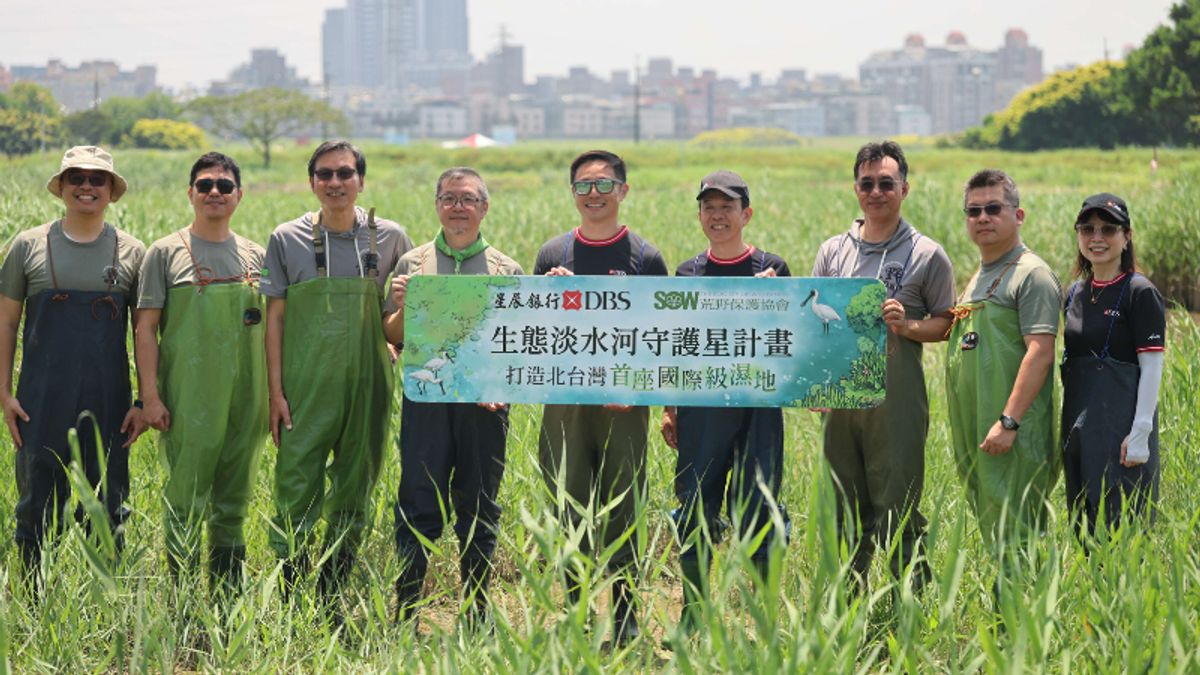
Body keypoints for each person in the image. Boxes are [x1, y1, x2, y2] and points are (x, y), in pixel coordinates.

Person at [261, 140, 413, 610]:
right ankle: (291, 589)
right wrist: (275, 392)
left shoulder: (390, 237)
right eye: (324, 175)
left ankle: (335, 583)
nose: (335, 183)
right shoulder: (286, 238)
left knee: (356, 482)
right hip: (305, 384)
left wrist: (392, 340)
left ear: (361, 181)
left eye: (345, 174)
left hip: (369, 384)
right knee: (295, 482)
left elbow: (398, 317)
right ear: (311, 183)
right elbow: (276, 320)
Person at [533, 149, 669, 645]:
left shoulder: (644, 257)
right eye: (584, 187)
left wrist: (645, 394)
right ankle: (576, 613)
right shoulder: (554, 255)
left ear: (623, 191)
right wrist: (547, 297)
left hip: (624, 403)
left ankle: (628, 617)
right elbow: (535, 335)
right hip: (565, 401)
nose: (594, 195)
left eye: (604, 185)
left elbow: (662, 335)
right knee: (568, 505)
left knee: (623, 507)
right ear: (572, 194)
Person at [810, 141, 955, 594]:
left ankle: (909, 608)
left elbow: (946, 323)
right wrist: (818, 387)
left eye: (886, 183)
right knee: (844, 506)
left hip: (897, 398)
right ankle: (847, 609)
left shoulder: (927, 254)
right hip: (843, 400)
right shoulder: (833, 251)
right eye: (867, 183)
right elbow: (815, 331)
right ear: (856, 189)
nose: (877, 192)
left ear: (904, 189)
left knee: (898, 502)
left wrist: (907, 325)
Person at [1, 146, 145, 589]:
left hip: (109, 398)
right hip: (40, 397)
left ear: (111, 191)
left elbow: (145, 334)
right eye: (76, 177)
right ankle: (30, 595)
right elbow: (6, 322)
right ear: (61, 187)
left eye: (97, 179)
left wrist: (144, 400)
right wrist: (4, 393)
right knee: (37, 494)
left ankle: (104, 597)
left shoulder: (133, 252)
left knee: (107, 498)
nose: (87, 186)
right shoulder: (28, 245)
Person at [385, 168, 523, 627]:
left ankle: (476, 613)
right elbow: (394, 335)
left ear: (484, 207)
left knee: (479, 505)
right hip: (426, 403)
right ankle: (406, 613)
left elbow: (516, 344)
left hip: (485, 408)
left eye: (468, 199)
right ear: (437, 205)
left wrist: (500, 387)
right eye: (448, 198)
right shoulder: (413, 264)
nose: (457, 207)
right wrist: (404, 307)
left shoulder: (507, 270)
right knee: (418, 503)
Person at [660, 170, 790, 631]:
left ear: (746, 214)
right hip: (701, 406)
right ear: (699, 216)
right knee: (695, 506)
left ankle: (763, 619)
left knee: (760, 506)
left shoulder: (772, 269)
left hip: (759, 409)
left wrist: (779, 299)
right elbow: (676, 344)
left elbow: (792, 343)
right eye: (709, 207)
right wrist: (670, 407)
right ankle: (693, 616)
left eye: (727, 207)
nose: (718, 216)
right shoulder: (688, 273)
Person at [133, 152, 267, 596]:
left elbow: (275, 328)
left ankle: (228, 598)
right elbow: (146, 328)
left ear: (239, 196)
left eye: (224, 186)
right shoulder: (166, 252)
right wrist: (150, 397)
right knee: (186, 496)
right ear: (190, 193)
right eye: (205, 184)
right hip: (190, 395)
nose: (215, 192)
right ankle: (183, 599)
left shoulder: (257, 255)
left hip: (248, 395)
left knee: (235, 497)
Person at [945, 169, 1061, 556]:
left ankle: (1025, 615)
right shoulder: (980, 274)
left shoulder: (1033, 274)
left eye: (993, 208)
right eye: (973, 211)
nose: (982, 218)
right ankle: (1003, 615)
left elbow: (1040, 352)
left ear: (1018, 215)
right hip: (980, 429)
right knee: (994, 533)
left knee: (1018, 536)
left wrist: (1009, 421)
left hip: (1012, 433)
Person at [1061, 193, 1165, 536]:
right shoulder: (1074, 293)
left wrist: (1141, 432)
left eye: (1108, 229)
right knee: (1084, 527)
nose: (1097, 238)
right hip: (1078, 429)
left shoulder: (1140, 291)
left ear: (1127, 236)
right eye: (1087, 229)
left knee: (1124, 534)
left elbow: (1151, 366)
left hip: (1123, 435)